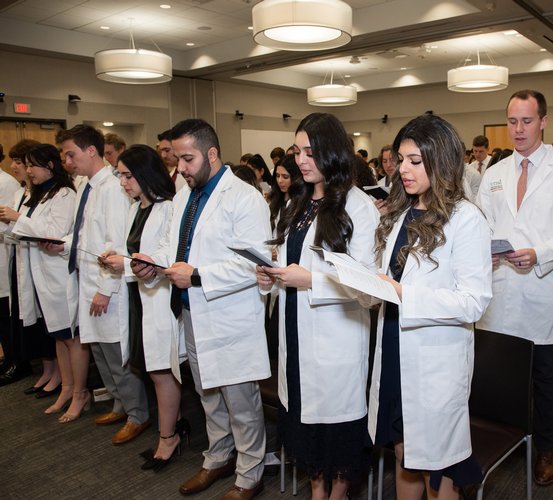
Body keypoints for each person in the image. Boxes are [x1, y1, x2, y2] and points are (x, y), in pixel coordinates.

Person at [132, 119, 271, 499]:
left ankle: (249, 474)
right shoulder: (183, 196)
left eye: (188, 159)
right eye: (177, 160)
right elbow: (172, 248)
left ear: (212, 153)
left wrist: (196, 276)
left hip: (230, 316)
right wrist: (151, 263)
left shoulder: (245, 198)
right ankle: (217, 457)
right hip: (192, 313)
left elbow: (253, 264)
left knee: (241, 402)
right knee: (208, 394)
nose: (181, 169)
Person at [257, 112, 380, 500]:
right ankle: (316, 491)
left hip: (335, 338)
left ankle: (337, 493)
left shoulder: (358, 206)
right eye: (298, 151)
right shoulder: (299, 202)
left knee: (335, 430)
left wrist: (309, 280)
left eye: (311, 151)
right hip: (295, 331)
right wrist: (271, 277)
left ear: (332, 152)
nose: (302, 160)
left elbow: (369, 287)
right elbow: (290, 260)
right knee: (303, 424)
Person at [369, 114, 492, 500]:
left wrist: (404, 294)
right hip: (394, 352)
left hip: (433, 364)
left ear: (440, 162)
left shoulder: (466, 219)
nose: (402, 169)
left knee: (437, 473)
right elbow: (388, 277)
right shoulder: (402, 214)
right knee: (405, 454)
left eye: (414, 162)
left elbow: (474, 301)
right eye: (401, 159)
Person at [475, 89, 553, 487]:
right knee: (498, 375)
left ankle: (546, 449)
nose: (518, 129)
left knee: (545, 380)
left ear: (543, 121)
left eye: (526, 121)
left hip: (542, 292)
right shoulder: (494, 173)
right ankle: (501, 443)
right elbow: (481, 226)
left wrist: (540, 254)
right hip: (501, 289)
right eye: (512, 121)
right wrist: (482, 253)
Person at [52, 125, 150, 438]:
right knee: (99, 351)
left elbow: (118, 243)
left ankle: (137, 414)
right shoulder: (87, 185)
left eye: (71, 153)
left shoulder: (112, 188)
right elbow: (85, 235)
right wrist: (63, 244)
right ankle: (120, 405)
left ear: (91, 150)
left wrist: (106, 289)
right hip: (87, 279)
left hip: (108, 285)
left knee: (116, 353)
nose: (67, 161)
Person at [100, 144, 187, 470]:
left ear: (145, 174)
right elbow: (135, 252)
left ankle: (169, 438)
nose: (123, 183)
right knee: (153, 370)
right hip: (140, 299)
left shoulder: (167, 209)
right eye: (121, 176)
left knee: (162, 372)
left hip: (160, 301)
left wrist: (132, 263)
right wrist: (117, 258)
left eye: (127, 175)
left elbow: (166, 258)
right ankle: (171, 428)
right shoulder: (139, 207)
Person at [8, 144, 92, 420]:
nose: (28, 171)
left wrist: (19, 219)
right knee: (57, 335)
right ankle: (67, 388)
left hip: (59, 273)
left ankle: (80, 392)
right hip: (43, 273)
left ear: (49, 166)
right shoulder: (41, 195)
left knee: (71, 336)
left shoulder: (65, 194)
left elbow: (55, 233)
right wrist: (17, 223)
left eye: (33, 165)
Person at [0, 139, 55, 389]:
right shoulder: (20, 191)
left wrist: (16, 219)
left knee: (49, 326)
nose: (18, 167)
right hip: (20, 257)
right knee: (27, 319)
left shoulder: (55, 192)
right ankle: (46, 370)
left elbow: (46, 230)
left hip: (41, 260)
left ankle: (56, 375)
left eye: (22, 163)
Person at [0, 144, 20, 375]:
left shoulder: (6, 184)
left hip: (7, 253)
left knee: (6, 313)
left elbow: (8, 223)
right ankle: (8, 357)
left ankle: (16, 359)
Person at [267, 153, 302, 231]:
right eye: (277, 176)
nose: (280, 181)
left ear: (296, 177)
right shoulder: (274, 198)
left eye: (285, 177)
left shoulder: (301, 202)